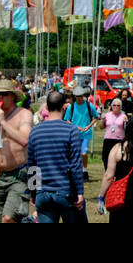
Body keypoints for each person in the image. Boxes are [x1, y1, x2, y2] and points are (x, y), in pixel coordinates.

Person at [27, 90, 85, 224]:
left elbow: (32, 165)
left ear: (46, 107)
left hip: (43, 192)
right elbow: (76, 164)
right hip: (66, 191)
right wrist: (80, 192)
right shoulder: (71, 130)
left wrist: (33, 192)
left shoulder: (35, 131)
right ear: (64, 106)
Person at [0, 79, 32, 223]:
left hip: (18, 175)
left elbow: (25, 140)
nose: (0, 98)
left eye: (4, 94)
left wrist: (3, 122)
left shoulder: (24, 114)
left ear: (12, 96)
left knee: (9, 218)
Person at [64, 87, 100, 169]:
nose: (79, 98)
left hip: (85, 134)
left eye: (80, 96)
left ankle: (85, 170)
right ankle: (74, 169)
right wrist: (75, 127)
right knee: (74, 153)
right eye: (77, 96)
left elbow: (96, 117)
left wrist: (89, 126)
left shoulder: (89, 105)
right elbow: (67, 120)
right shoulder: (71, 107)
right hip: (74, 134)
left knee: (83, 153)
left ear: (83, 95)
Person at [101, 97, 127, 169]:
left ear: (120, 107)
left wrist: (126, 122)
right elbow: (101, 127)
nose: (116, 107)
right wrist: (103, 120)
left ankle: (117, 173)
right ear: (111, 106)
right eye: (114, 105)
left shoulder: (123, 116)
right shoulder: (107, 115)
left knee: (118, 158)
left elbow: (126, 129)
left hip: (119, 140)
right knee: (105, 157)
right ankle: (108, 171)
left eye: (118, 105)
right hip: (108, 139)